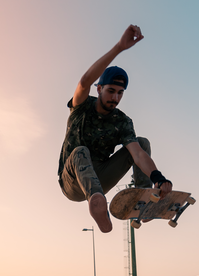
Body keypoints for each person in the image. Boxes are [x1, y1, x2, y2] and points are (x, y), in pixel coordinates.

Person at [58, 25, 173, 233]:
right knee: (80, 151)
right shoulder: (81, 106)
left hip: (101, 177)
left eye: (120, 93)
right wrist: (119, 47)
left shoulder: (122, 122)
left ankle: (144, 198)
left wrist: (158, 177)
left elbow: (138, 154)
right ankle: (97, 205)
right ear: (100, 89)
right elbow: (84, 82)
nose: (115, 98)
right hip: (73, 181)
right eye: (111, 91)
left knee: (142, 142)